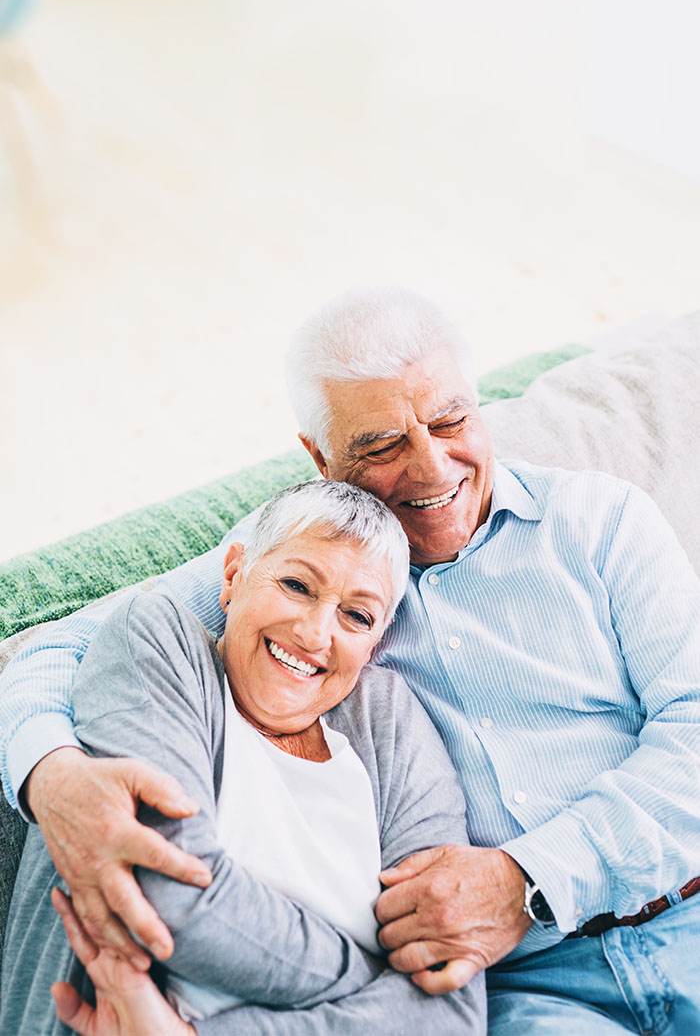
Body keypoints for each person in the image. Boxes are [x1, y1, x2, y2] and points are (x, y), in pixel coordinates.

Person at [2, 288, 700, 1032]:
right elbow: (64, 646)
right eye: (381, 447)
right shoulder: (303, 563)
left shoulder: (601, 521)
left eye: (449, 421)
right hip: (526, 993)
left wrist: (528, 880)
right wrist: (53, 774)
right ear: (321, 456)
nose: (432, 470)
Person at [1, 479, 486, 1035]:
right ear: (233, 576)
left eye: (357, 616)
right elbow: (173, 894)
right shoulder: (157, 639)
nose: (314, 632)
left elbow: (451, 1006)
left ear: (377, 640)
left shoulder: (387, 718)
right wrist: (372, 975)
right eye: (297, 585)